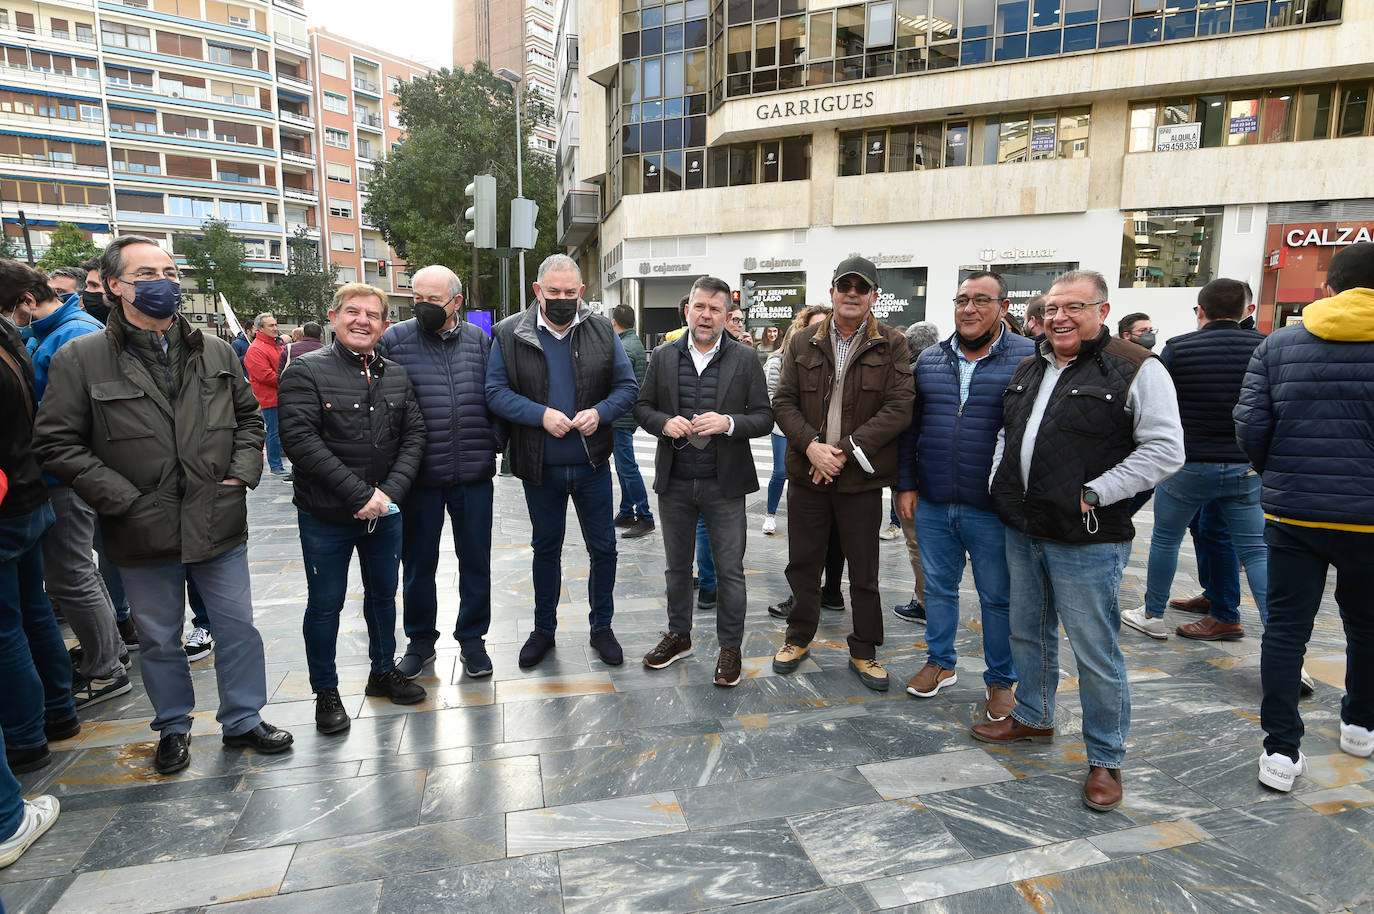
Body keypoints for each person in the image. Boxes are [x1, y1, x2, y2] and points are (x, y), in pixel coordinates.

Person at [35, 235, 293, 775]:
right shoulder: (80, 358)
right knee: (157, 637)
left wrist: (243, 472)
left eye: (171, 273)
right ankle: (173, 727)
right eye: (147, 273)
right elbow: (57, 444)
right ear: (114, 286)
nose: (164, 283)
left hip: (217, 518)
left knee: (238, 627)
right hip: (140, 527)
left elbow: (249, 421)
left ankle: (243, 719)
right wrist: (119, 497)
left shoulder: (215, 350)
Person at [977, 269, 1184, 812]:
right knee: (1028, 633)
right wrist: (999, 481)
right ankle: (1032, 717)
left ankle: (1106, 757)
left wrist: (1096, 493)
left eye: (1074, 307)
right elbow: (1008, 433)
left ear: (1103, 310)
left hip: (1088, 536)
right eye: (1051, 309)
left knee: (1095, 651)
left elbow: (1164, 450)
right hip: (1024, 528)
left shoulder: (1138, 367)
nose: (1060, 318)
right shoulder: (1031, 364)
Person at [1236, 241, 1374, 792]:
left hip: (1294, 515)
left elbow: (1249, 426)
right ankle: (1360, 724)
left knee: (1287, 631)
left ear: (1329, 288)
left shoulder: (1280, 345)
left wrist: (1279, 474)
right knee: (1366, 626)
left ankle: (1280, 752)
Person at [279, 283, 428, 732]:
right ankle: (326, 691)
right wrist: (359, 495)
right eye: (352, 312)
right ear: (333, 316)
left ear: (384, 324)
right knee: (326, 605)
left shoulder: (396, 374)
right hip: (326, 515)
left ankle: (382, 671)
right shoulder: (304, 371)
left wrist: (389, 494)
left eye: (372, 314)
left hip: (384, 514)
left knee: (383, 597)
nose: (362, 320)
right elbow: (301, 443)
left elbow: (415, 436)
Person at [486, 254, 638, 669]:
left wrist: (600, 412)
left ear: (582, 292)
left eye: (570, 292)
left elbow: (627, 387)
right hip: (540, 467)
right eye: (553, 292)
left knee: (604, 549)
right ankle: (543, 630)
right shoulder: (510, 332)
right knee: (545, 548)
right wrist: (540, 414)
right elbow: (495, 392)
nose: (562, 299)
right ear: (537, 291)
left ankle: (602, 627)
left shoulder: (602, 330)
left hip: (591, 465)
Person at [771, 256, 914, 691]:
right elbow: (783, 402)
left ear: (874, 296)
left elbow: (899, 407)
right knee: (803, 563)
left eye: (861, 287)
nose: (852, 293)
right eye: (844, 285)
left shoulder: (892, 344)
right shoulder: (802, 342)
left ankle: (865, 648)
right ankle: (798, 637)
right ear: (832, 291)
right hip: (808, 475)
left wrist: (844, 453)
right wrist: (813, 448)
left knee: (865, 570)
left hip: (860, 480)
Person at [897, 274, 1035, 720]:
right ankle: (940, 662)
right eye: (962, 300)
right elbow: (909, 430)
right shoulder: (930, 360)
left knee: (998, 597)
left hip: (993, 506)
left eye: (981, 300)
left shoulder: (1029, 358)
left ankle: (1001, 680)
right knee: (937, 589)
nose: (969, 308)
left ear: (1003, 306)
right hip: (935, 499)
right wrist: (905, 484)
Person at [636, 276, 773, 686]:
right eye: (700, 307)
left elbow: (765, 417)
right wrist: (664, 423)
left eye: (716, 309)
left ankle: (730, 648)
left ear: (727, 316)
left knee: (730, 570)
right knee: (677, 568)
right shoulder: (662, 356)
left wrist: (729, 422)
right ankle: (679, 636)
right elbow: (642, 407)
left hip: (724, 485)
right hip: (675, 481)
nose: (707, 316)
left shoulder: (746, 359)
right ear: (687, 309)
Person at [1122, 279, 1268, 643]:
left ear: (1200, 311)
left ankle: (1152, 614)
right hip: (1244, 466)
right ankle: (1282, 634)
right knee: (1254, 550)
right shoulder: (1267, 345)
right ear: (1245, 311)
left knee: (1166, 539)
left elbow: (1160, 405)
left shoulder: (1179, 348)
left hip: (1189, 464)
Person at [376, 266, 500, 681]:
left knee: (476, 560)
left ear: (456, 302)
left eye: (433, 300)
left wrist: (492, 442)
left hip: (473, 473)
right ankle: (420, 641)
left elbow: (495, 395)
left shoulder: (480, 340)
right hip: (419, 477)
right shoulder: (395, 340)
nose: (423, 307)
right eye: (418, 299)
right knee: (417, 563)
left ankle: (473, 639)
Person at [17, 263, 132, 711]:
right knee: (76, 568)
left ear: (25, 301)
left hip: (66, 473)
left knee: (70, 571)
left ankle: (106, 667)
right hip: (59, 471)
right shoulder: (56, 331)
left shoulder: (72, 333)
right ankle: (109, 647)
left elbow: (67, 415)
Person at [0, 281, 78, 777]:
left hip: (12, 500)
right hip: (27, 492)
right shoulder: (14, 343)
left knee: (10, 626)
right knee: (34, 611)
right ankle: (58, 711)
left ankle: (27, 737)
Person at [764, 306, 846, 619]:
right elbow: (781, 402)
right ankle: (801, 596)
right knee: (806, 537)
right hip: (803, 451)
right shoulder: (789, 357)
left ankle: (833, 590)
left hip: (839, 457)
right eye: (814, 328)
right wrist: (811, 446)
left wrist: (836, 452)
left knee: (837, 531)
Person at [763, 305, 830, 536]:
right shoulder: (778, 360)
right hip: (784, 428)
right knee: (781, 472)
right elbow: (772, 397)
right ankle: (770, 514)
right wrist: (792, 422)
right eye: (813, 326)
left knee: (807, 476)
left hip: (816, 431)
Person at [890, 320, 939, 624]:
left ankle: (925, 602)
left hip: (913, 473)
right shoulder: (938, 367)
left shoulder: (911, 373)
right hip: (933, 470)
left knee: (917, 543)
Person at [610, 304, 654, 539]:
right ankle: (626, 511)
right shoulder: (633, 342)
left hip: (620, 416)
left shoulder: (624, 346)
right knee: (622, 465)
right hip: (626, 415)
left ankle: (645, 516)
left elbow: (617, 381)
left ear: (614, 321)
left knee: (627, 467)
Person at [243, 313, 287, 478]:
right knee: (273, 431)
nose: (275, 328)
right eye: (271, 326)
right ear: (259, 328)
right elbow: (265, 376)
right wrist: (289, 379)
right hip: (269, 398)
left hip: (282, 395)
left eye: (275, 325)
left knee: (282, 430)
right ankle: (275, 464)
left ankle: (279, 462)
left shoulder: (276, 345)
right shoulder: (255, 349)